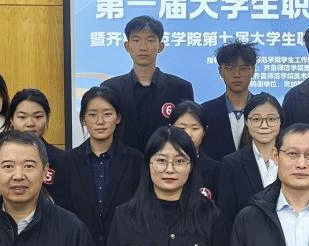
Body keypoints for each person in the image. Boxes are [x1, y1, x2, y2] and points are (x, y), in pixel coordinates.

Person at [48, 85, 144, 246]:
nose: (100, 121)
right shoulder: (64, 163)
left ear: (118, 118)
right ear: (83, 119)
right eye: (92, 115)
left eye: (107, 114)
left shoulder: (137, 161)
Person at [102, 15, 194, 152]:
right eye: (136, 40)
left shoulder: (180, 88)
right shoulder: (110, 88)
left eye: (150, 40)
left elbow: (186, 135)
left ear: (160, 46)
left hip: (166, 162)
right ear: (127, 46)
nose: (143, 47)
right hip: (122, 163)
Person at [0, 88, 64, 199]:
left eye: (38, 117)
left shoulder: (62, 159)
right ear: (11, 119)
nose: (30, 123)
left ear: (47, 119)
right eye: (22, 117)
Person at [217, 93, 282, 225]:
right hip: (247, 235)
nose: (264, 125)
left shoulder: (292, 160)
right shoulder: (232, 164)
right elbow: (226, 217)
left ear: (280, 121)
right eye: (256, 119)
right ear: (246, 121)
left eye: (271, 119)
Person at [201, 40, 258, 161]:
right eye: (230, 68)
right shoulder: (205, 111)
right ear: (220, 71)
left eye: (243, 68)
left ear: (252, 70)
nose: (236, 74)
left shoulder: (264, 110)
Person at [170, 101, 221, 199]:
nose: (188, 134)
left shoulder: (217, 171)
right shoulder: (160, 166)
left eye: (195, 128)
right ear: (171, 129)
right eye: (182, 128)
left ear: (204, 131)